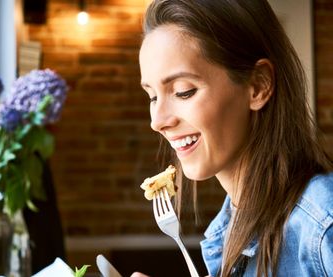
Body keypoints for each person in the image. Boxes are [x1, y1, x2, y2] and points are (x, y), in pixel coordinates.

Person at [134, 0, 333, 276]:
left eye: (183, 91)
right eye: (153, 97)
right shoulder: (229, 228)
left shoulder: (323, 223)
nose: (157, 122)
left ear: (258, 86)